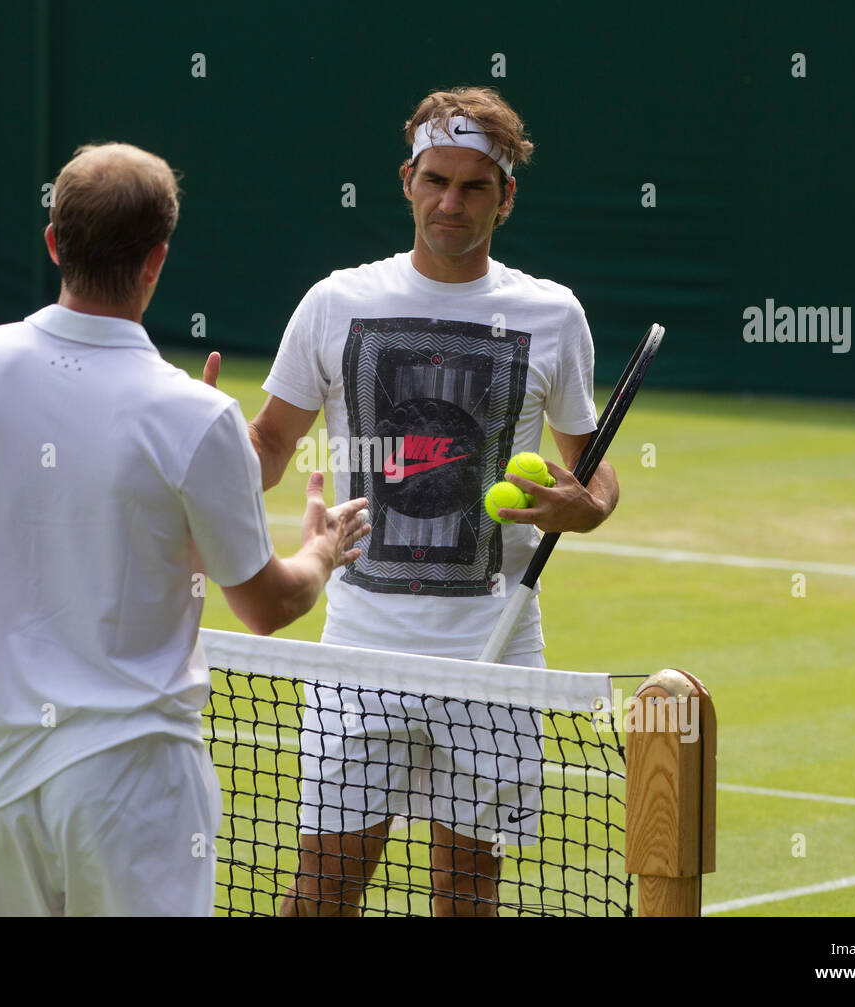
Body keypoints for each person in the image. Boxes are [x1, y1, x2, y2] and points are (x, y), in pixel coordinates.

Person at [0, 142, 368, 917]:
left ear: (54, 242)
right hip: (136, 798)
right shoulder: (196, 416)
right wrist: (321, 550)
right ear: (157, 260)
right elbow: (266, 605)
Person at [204, 87, 619, 916]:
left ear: (507, 196)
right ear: (406, 179)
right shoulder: (335, 302)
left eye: (473, 187)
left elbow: (594, 469)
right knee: (323, 889)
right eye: (435, 180)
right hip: (359, 648)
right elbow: (272, 446)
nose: (449, 202)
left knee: (469, 891)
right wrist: (195, 439)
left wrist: (587, 505)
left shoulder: (554, 314)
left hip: (497, 651)